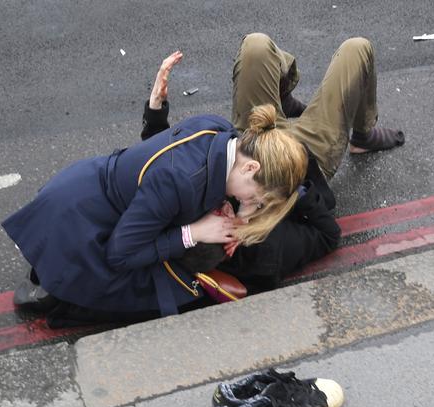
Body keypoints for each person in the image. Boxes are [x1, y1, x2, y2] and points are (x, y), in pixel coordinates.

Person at [2, 100, 307, 326]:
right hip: (80, 228)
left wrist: (223, 205)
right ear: (251, 167)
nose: (250, 205)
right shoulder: (178, 181)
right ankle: (56, 286)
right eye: (256, 197)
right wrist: (193, 233)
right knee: (168, 297)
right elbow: (120, 255)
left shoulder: (221, 131)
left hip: (86, 191)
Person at [139, 33, 404, 291]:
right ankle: (363, 133)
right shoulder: (266, 254)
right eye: (224, 216)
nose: (221, 206)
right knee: (357, 49)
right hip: (305, 155)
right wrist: (292, 187)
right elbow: (328, 235)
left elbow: (160, 166)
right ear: (231, 244)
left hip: (255, 137)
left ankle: (281, 100)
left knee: (256, 46)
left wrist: (155, 110)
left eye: (211, 214)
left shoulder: (190, 214)